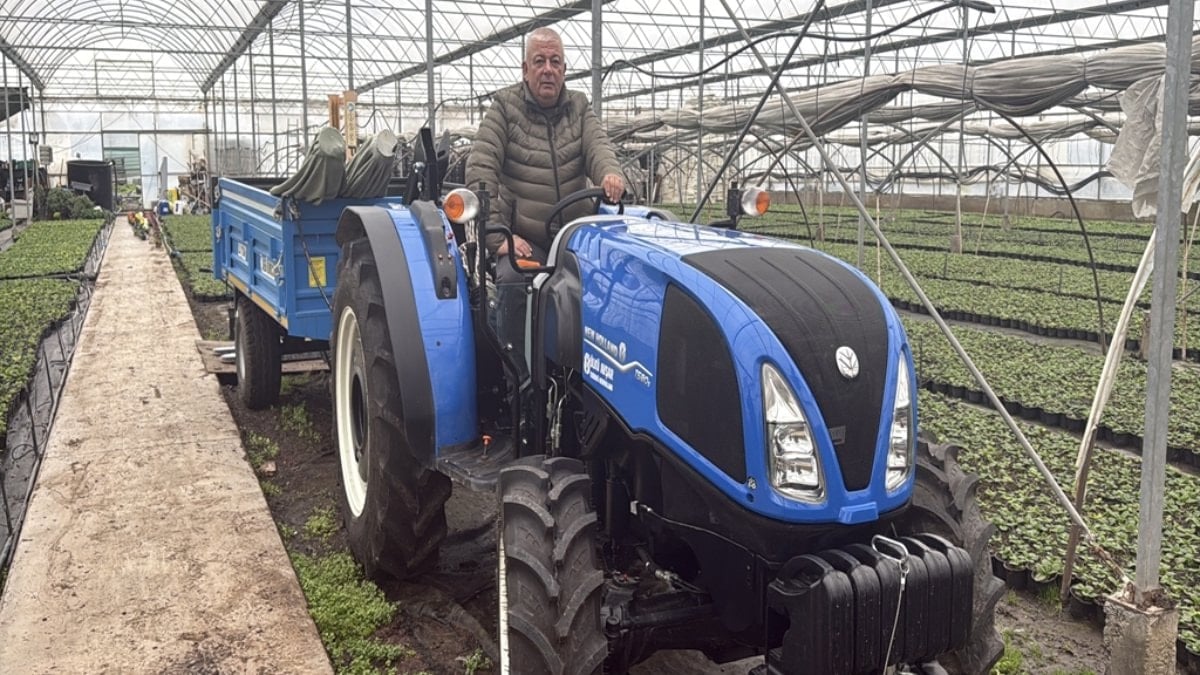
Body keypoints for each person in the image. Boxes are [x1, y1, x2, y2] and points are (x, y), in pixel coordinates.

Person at [466, 27, 626, 375]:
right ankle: (521, 383)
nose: (548, 69)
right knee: (514, 281)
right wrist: (498, 239)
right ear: (525, 70)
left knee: (617, 283)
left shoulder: (580, 107)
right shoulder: (505, 108)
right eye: (539, 61)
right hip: (529, 239)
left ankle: (592, 372)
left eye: (555, 61)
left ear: (565, 70)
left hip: (575, 238)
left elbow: (599, 149)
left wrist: (610, 175)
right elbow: (481, 166)